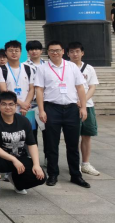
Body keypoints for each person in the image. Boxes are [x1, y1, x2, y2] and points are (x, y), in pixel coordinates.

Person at [35, 41, 90, 188]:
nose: (55, 53)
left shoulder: (71, 67)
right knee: (52, 144)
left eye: (57, 50)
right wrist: (41, 110)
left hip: (71, 109)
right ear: (48, 52)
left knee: (73, 144)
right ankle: (53, 174)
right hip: (52, 109)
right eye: (52, 51)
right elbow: (39, 90)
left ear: (63, 51)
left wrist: (83, 107)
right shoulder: (42, 68)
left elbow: (80, 87)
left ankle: (76, 175)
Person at [0, 92, 46, 200]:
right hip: (2, 159)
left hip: (20, 158)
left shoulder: (24, 121)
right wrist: (13, 159)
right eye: (4, 104)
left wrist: (37, 165)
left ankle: (17, 183)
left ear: (16, 105)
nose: (7, 107)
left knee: (40, 177)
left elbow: (32, 144)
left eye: (11, 104)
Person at [68, 42, 101, 177]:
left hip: (87, 106)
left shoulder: (89, 68)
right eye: (72, 51)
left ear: (82, 53)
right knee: (72, 136)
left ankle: (86, 163)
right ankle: (75, 164)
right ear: (67, 53)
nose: (75, 54)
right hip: (71, 106)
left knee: (87, 135)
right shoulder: (65, 67)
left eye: (77, 51)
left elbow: (92, 87)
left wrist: (83, 101)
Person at [0, 41, 34, 116]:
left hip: (26, 109)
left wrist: (25, 104)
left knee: (27, 124)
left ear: (20, 52)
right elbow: (4, 90)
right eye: (11, 51)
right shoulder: (2, 70)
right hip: (9, 109)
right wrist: (21, 104)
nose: (14, 53)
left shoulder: (28, 69)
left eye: (16, 51)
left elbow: (32, 89)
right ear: (6, 52)